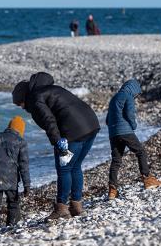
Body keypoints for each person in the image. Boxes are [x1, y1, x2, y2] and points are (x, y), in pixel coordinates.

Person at [12, 72, 100, 220]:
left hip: (74, 132)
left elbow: (49, 122)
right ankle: (76, 206)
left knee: (64, 169)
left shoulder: (34, 99)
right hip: (91, 125)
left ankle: (61, 208)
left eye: (19, 103)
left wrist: (58, 142)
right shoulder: (53, 89)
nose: (21, 107)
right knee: (76, 166)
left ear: (23, 97)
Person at [106, 79, 161, 200]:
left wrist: (115, 127)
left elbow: (107, 120)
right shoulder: (128, 96)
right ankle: (147, 179)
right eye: (137, 94)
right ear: (133, 89)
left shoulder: (114, 98)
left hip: (113, 133)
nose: (136, 96)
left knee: (116, 160)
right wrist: (133, 125)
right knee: (140, 152)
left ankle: (112, 190)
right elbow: (130, 113)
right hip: (125, 131)